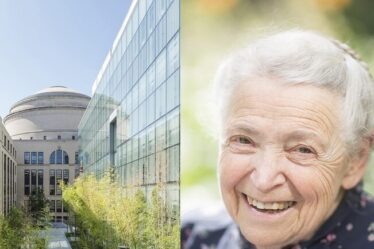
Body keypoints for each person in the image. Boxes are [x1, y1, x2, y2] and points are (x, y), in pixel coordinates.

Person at [182, 29, 374, 249]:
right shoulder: (189, 237)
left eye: (302, 150)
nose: (263, 180)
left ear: (355, 161)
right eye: (243, 140)